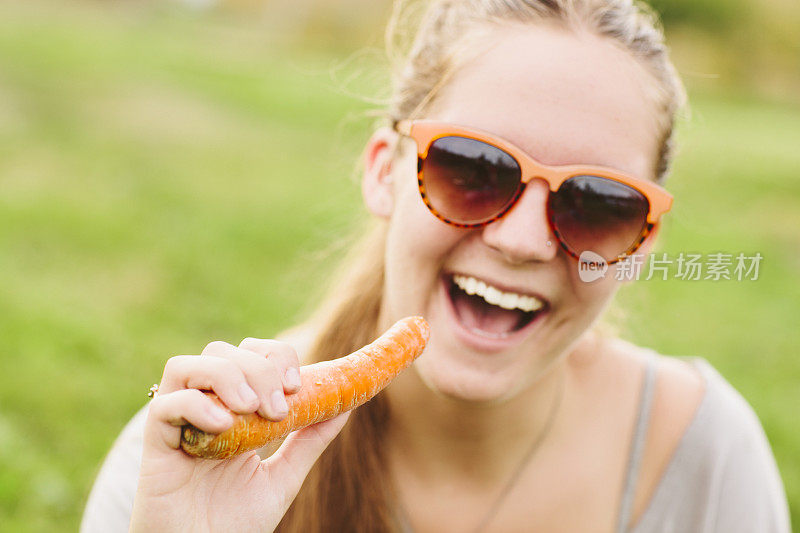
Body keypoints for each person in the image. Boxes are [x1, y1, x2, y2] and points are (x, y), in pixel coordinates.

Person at [81, 0, 791, 531]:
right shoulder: (199, 453)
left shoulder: (709, 459)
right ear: (384, 172)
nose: (522, 240)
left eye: (597, 204)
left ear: (639, 245)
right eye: (473, 167)